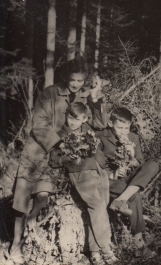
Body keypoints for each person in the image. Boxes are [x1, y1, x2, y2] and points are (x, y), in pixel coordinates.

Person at [10, 56, 109, 263]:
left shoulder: (84, 96)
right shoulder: (50, 93)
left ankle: (33, 218)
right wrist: (60, 143)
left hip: (56, 156)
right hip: (36, 151)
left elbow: (99, 124)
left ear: (85, 80)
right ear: (66, 77)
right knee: (21, 200)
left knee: (42, 195)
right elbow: (38, 124)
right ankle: (15, 247)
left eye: (80, 81)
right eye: (73, 80)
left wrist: (95, 99)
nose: (76, 84)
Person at [49, 102, 121, 265]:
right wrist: (68, 158)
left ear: (84, 119)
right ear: (66, 116)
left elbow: (101, 123)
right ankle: (106, 249)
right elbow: (53, 161)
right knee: (96, 206)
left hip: (99, 169)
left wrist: (104, 166)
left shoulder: (87, 128)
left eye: (77, 119)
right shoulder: (61, 136)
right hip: (80, 173)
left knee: (100, 207)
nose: (72, 122)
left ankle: (94, 252)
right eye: (70, 117)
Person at [96, 107, 159, 251]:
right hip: (111, 180)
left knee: (153, 165)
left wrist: (132, 156)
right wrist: (112, 174)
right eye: (120, 128)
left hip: (129, 177)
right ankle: (138, 240)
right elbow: (95, 165)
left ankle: (120, 199)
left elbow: (140, 162)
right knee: (135, 196)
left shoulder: (133, 137)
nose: (124, 132)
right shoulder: (100, 136)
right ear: (111, 124)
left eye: (127, 128)